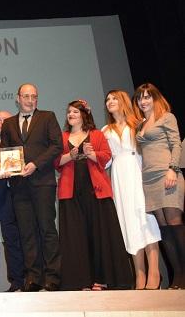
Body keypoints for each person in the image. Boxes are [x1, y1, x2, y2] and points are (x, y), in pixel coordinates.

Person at [54, 99, 132, 290]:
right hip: (70, 192)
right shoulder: (62, 137)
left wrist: (91, 154)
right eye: (69, 112)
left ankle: (101, 278)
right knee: (75, 237)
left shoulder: (96, 134)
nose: (70, 115)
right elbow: (56, 162)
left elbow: (106, 157)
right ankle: (81, 280)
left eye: (75, 112)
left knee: (100, 235)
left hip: (95, 190)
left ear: (84, 115)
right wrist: (69, 156)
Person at [0, 83, 63, 291]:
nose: (29, 100)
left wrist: (36, 164)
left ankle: (52, 277)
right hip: (19, 185)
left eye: (33, 96)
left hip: (42, 181)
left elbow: (56, 146)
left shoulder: (48, 117)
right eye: (25, 96)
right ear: (17, 98)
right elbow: (5, 150)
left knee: (47, 229)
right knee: (26, 232)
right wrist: (6, 169)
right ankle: (33, 278)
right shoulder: (8, 123)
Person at [103, 90, 161, 289]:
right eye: (107, 99)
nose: (110, 102)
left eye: (114, 98)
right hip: (119, 176)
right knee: (128, 223)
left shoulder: (138, 122)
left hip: (138, 171)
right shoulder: (106, 130)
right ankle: (139, 275)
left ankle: (154, 273)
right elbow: (105, 160)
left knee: (146, 220)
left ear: (124, 101)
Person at [133, 83, 184, 289]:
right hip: (149, 180)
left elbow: (176, 144)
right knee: (164, 230)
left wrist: (173, 168)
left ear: (155, 98)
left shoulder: (167, 117)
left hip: (167, 174)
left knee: (175, 224)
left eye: (147, 97)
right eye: (139, 98)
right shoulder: (140, 124)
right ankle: (178, 277)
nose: (143, 101)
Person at [0, 110, 25, 292]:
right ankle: (16, 281)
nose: (2, 124)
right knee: (10, 240)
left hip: (24, 196)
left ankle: (33, 278)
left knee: (28, 237)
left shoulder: (23, 142)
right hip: (3, 198)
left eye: (5, 120)